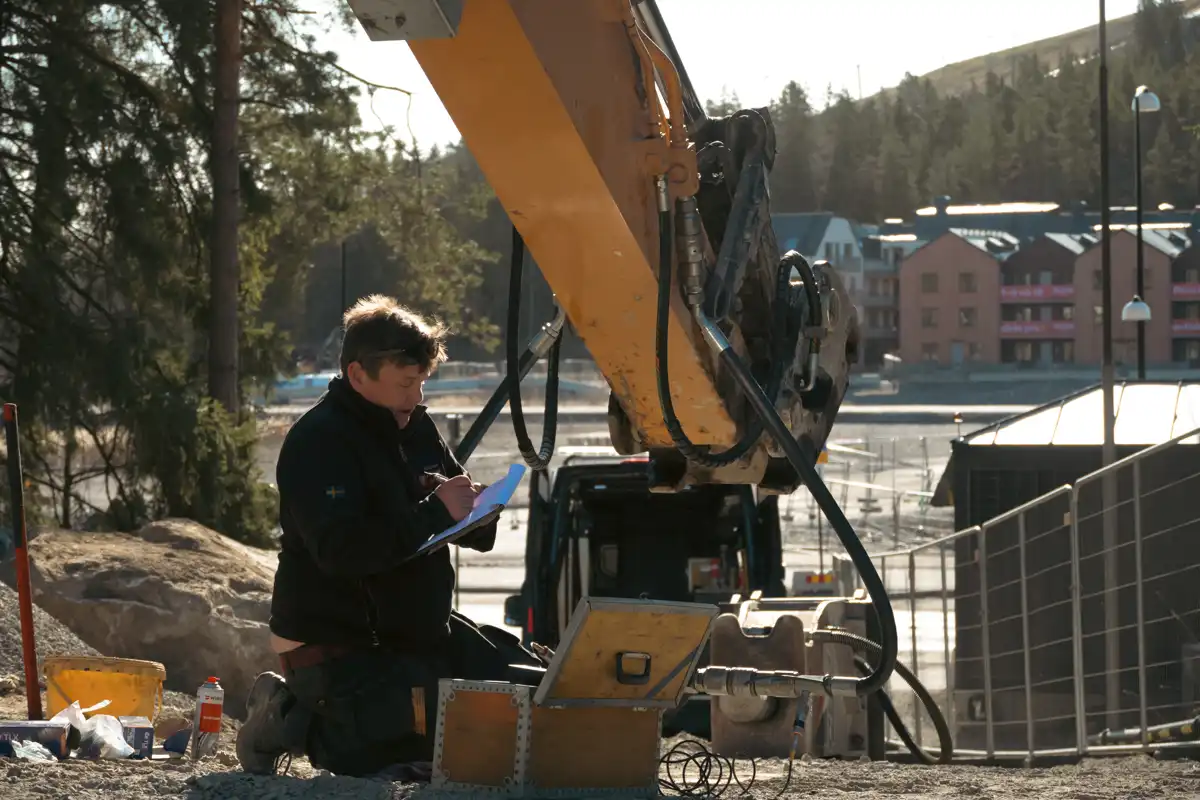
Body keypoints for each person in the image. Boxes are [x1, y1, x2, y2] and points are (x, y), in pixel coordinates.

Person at [236, 295, 546, 778]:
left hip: (418, 632)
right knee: (397, 747)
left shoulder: (414, 426)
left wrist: (477, 514)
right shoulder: (318, 442)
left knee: (520, 696)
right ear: (359, 375)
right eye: (407, 383)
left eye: (422, 382)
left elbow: (446, 503)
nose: (419, 397)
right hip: (341, 642)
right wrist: (434, 513)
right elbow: (342, 552)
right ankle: (284, 716)